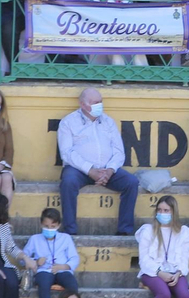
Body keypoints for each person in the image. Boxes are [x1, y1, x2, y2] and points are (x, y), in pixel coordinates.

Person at [57, 87, 140, 235]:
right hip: (79, 170)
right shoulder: (68, 122)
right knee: (68, 182)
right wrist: (90, 170)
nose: (99, 105)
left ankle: (124, 231)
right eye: (95, 102)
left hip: (107, 170)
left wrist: (110, 170)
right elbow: (67, 153)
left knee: (131, 182)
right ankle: (70, 231)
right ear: (83, 105)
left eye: (100, 102)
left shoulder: (108, 122)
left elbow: (119, 151)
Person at [138, 196, 189, 298]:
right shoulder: (148, 230)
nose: (162, 213)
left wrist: (179, 273)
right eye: (159, 210)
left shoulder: (183, 232)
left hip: (175, 273)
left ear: (173, 212)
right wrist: (160, 273)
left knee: (185, 295)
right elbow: (144, 260)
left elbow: (184, 258)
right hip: (152, 272)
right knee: (164, 294)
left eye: (166, 210)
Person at [25, 207, 82, 298]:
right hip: (43, 270)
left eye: (53, 226)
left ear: (58, 226)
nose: (49, 229)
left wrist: (64, 266)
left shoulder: (66, 238)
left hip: (62, 269)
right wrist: (35, 261)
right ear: (41, 224)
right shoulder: (34, 239)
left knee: (72, 285)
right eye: (46, 226)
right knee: (43, 284)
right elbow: (23, 258)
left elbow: (74, 258)